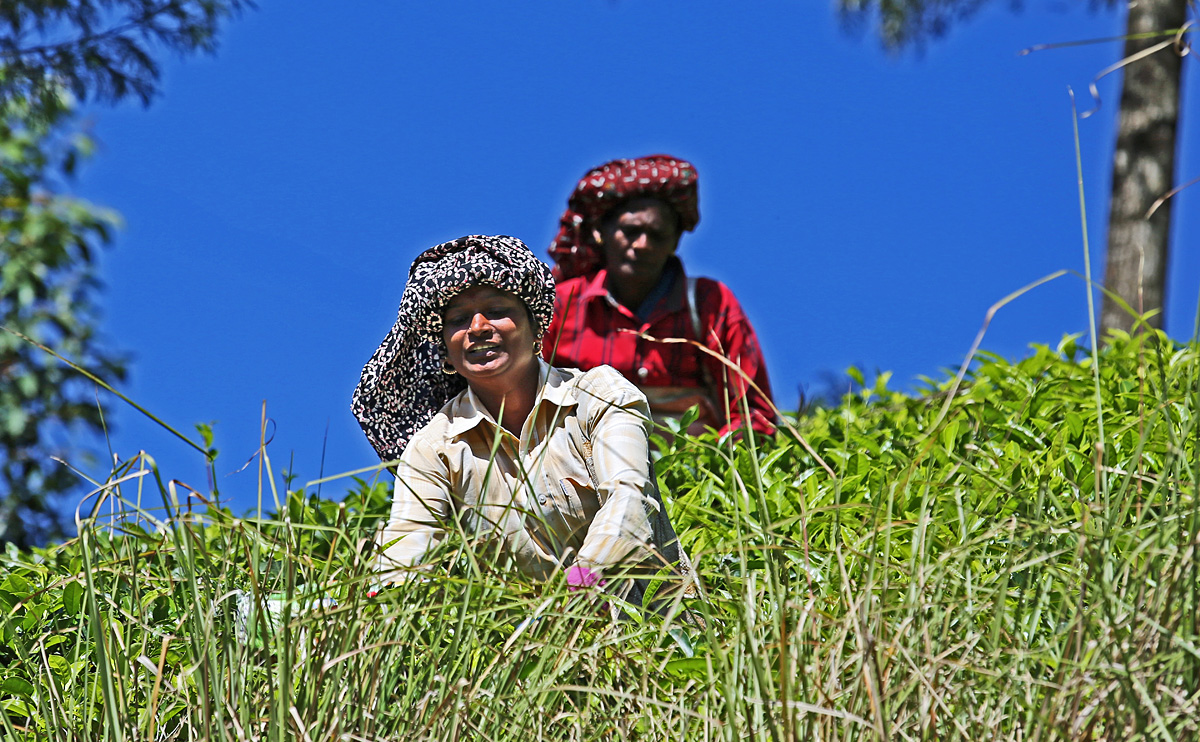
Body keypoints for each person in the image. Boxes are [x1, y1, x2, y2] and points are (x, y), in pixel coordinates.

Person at [351, 234, 690, 604]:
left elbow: (630, 500)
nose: (478, 327)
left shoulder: (598, 395)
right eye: (460, 320)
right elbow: (408, 549)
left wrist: (575, 589)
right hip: (536, 653)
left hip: (659, 635)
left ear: (536, 330)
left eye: (497, 310)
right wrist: (374, 605)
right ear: (446, 356)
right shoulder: (434, 448)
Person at [543, 154, 776, 438]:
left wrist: (720, 467)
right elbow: (521, 401)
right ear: (600, 231)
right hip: (582, 469)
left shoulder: (709, 304)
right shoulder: (562, 305)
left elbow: (754, 414)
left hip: (693, 471)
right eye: (630, 231)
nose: (642, 245)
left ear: (675, 241)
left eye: (657, 235)